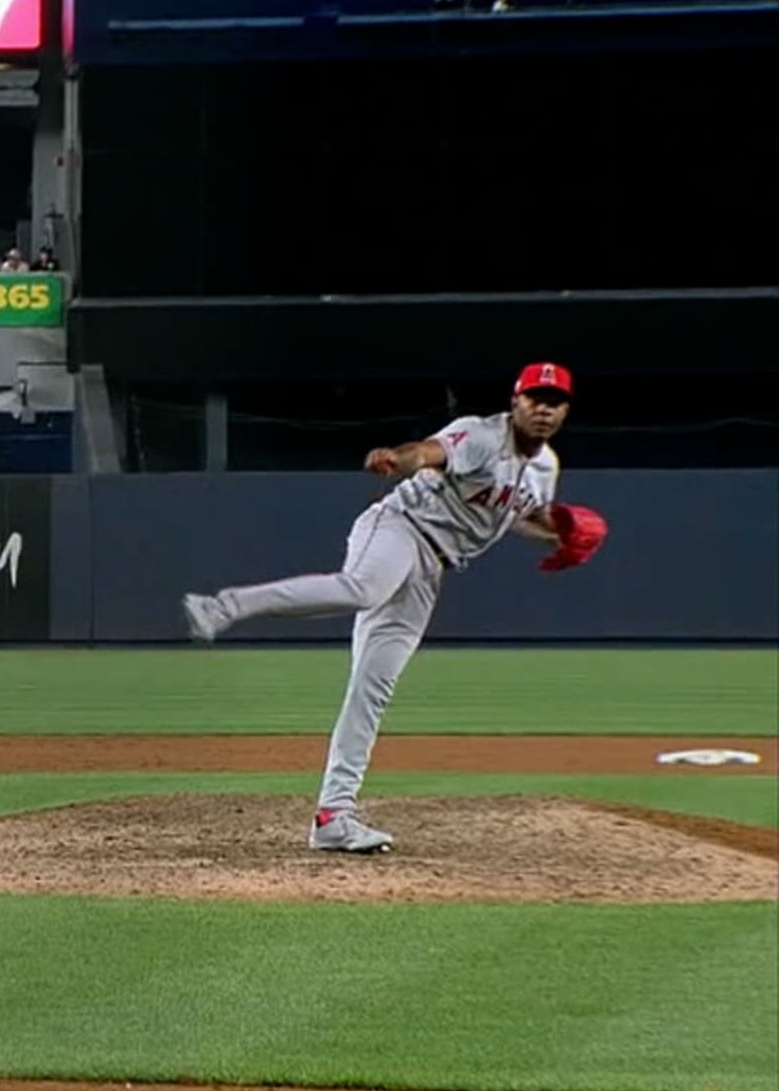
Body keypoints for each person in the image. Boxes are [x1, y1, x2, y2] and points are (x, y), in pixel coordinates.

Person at [183, 365, 604, 852]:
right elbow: (427, 452)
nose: (544, 409)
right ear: (516, 402)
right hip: (399, 527)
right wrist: (397, 459)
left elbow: (513, 515)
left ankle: (333, 817)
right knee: (362, 588)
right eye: (535, 398)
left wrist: (556, 533)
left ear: (565, 411)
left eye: (554, 401)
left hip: (432, 568)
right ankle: (222, 607)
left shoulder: (546, 467)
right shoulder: (482, 435)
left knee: (373, 686)